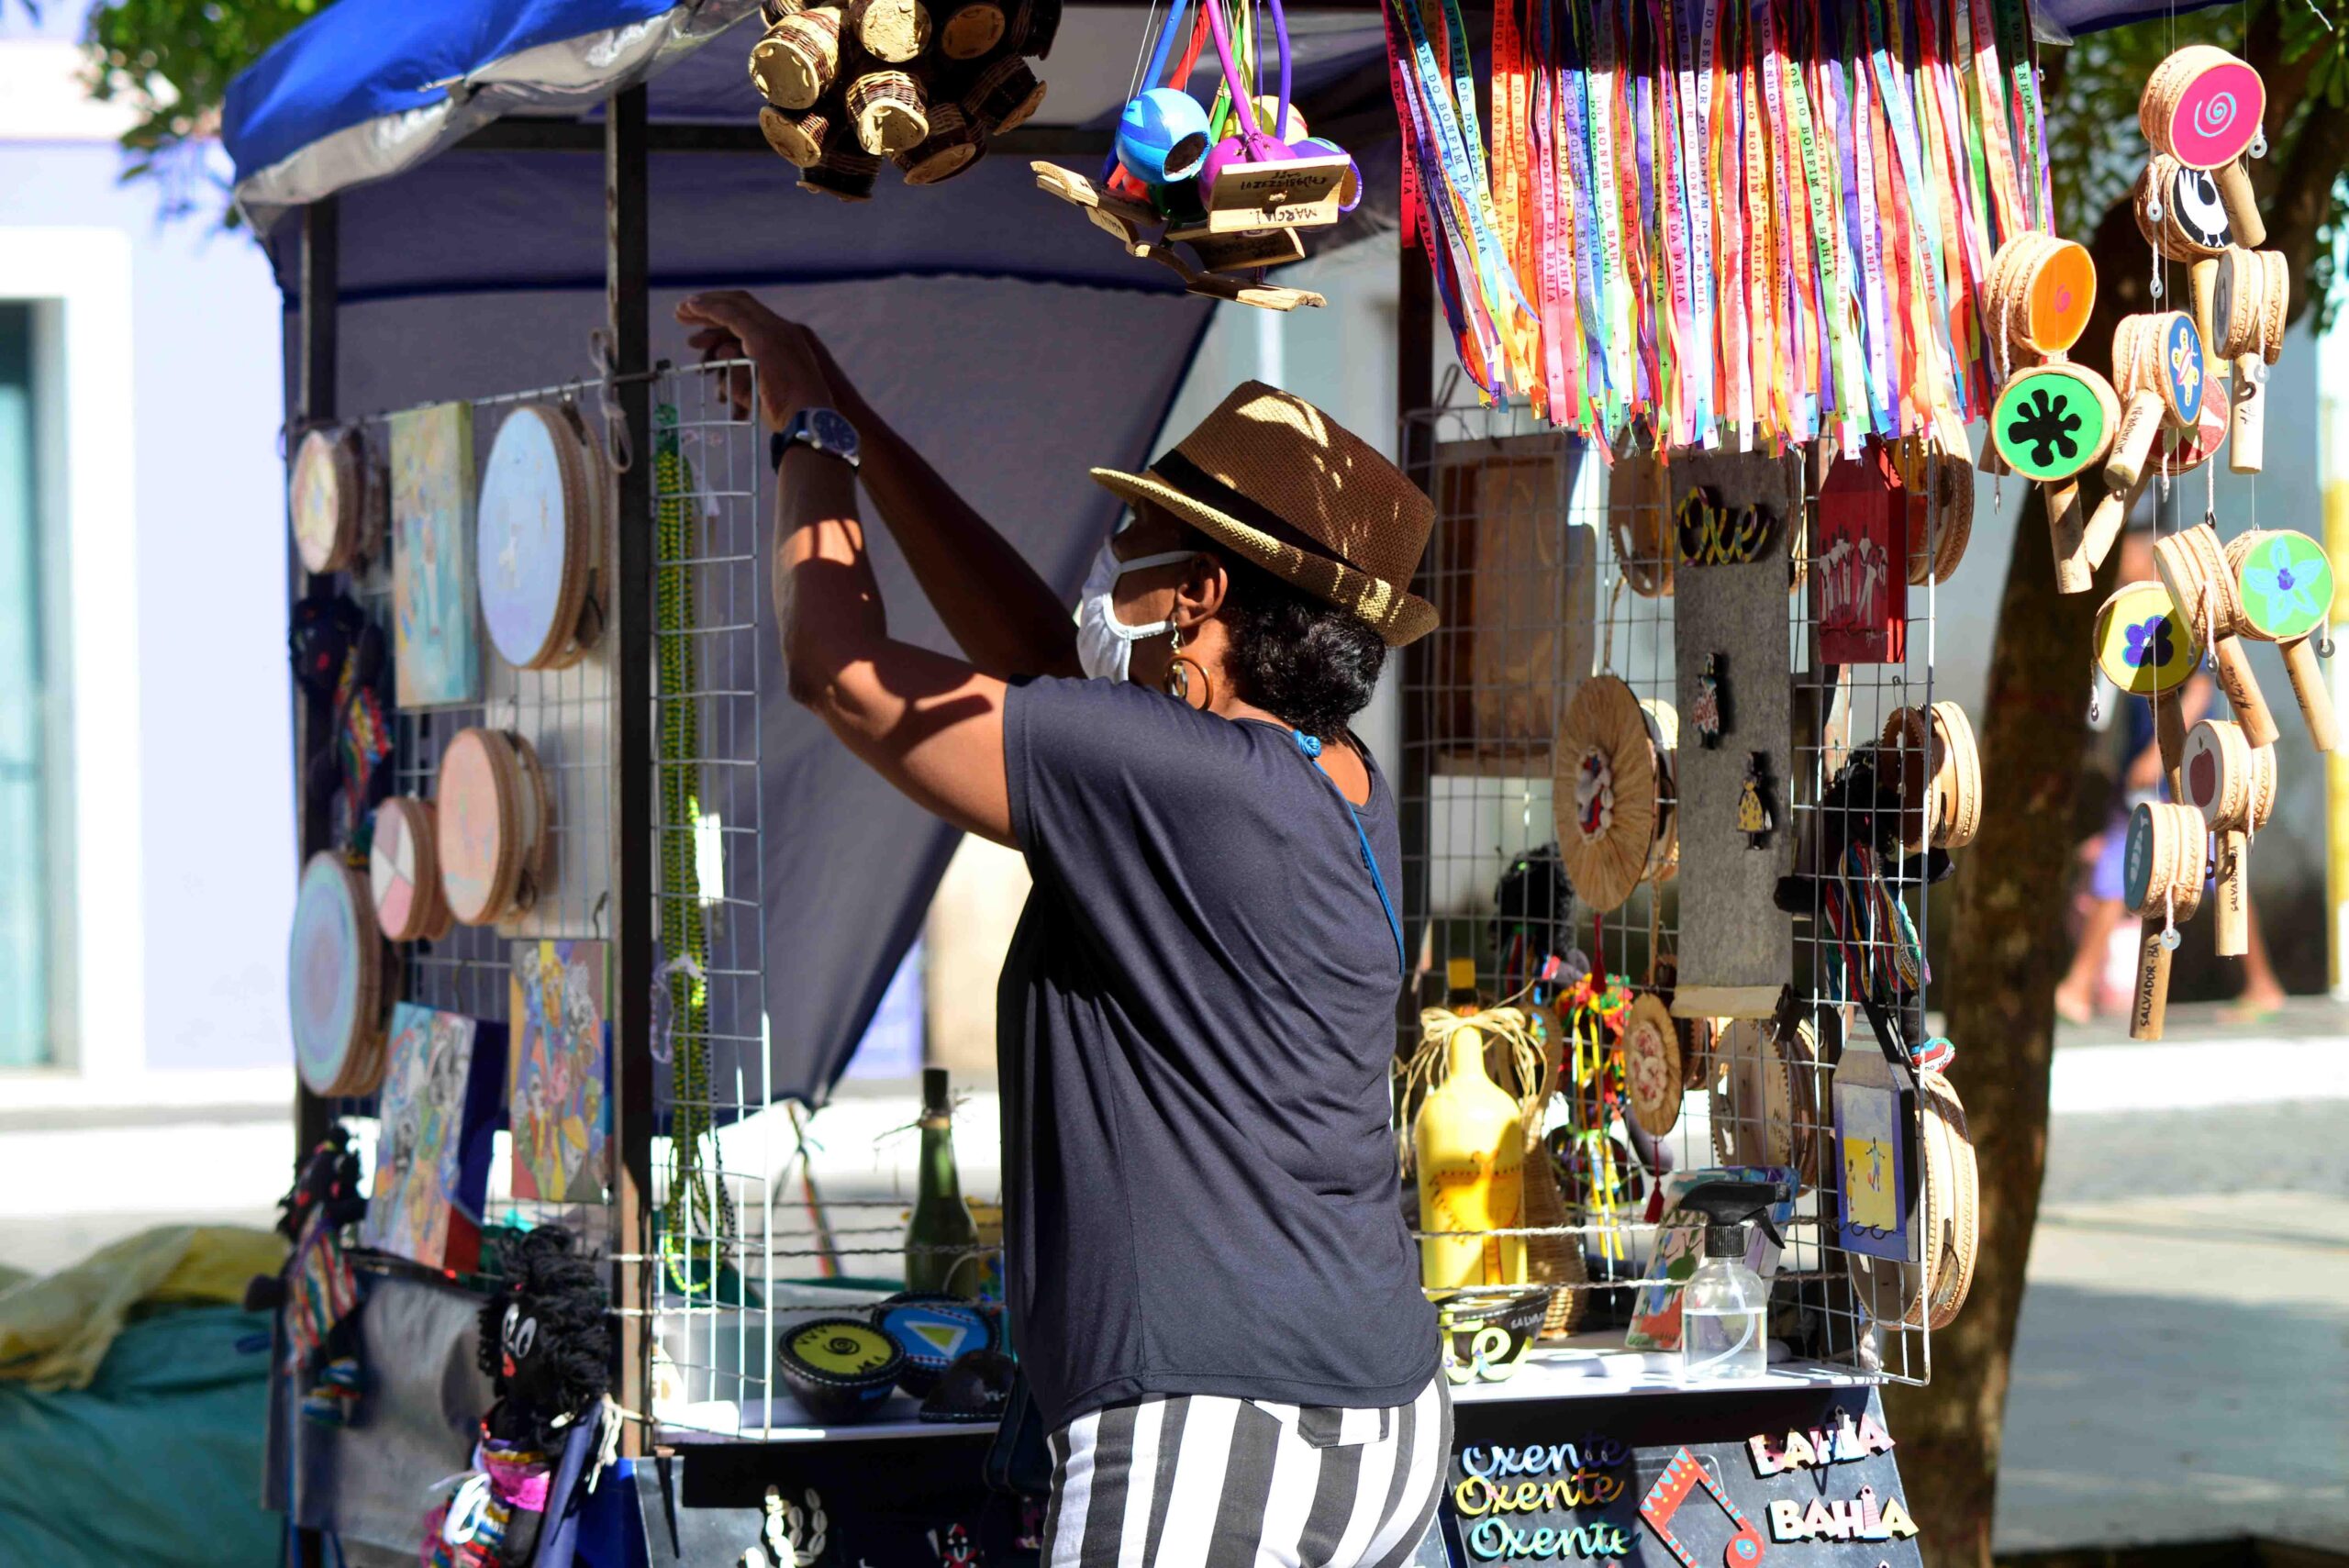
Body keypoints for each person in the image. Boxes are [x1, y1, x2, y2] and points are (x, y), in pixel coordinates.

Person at [676, 291, 1446, 1568]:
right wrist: (858, 420)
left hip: (1213, 1433)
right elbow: (1041, 654)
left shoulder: (1175, 776)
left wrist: (802, 424)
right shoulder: (1327, 778)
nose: (1104, 575)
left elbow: (840, 667)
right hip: (1374, 1410)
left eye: (1126, 547)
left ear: (1200, 594)